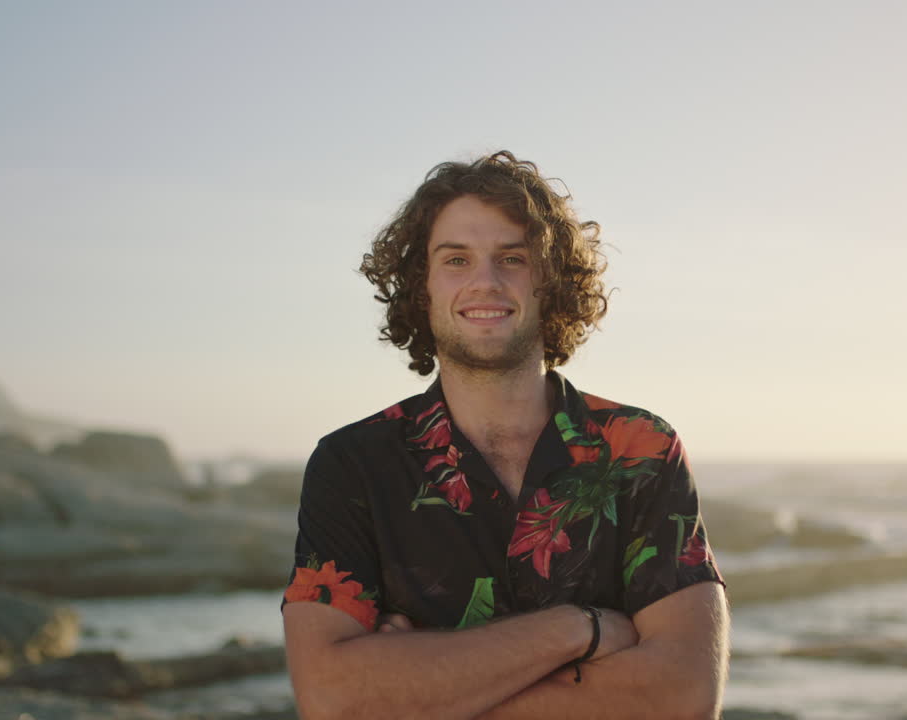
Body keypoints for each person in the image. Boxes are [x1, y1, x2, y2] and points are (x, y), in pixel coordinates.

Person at [282, 151, 728, 719]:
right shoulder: (352, 465)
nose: (485, 281)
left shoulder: (640, 447)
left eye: (512, 258)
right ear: (422, 285)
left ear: (551, 279)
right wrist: (579, 630)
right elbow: (332, 699)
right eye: (456, 260)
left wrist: (417, 687)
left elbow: (684, 698)